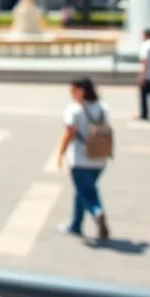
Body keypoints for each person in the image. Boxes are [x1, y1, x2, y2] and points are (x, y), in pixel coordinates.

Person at [56, 77, 111, 239]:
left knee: (86, 192)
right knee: (84, 190)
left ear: (82, 91)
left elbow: (69, 134)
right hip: (100, 157)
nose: (71, 94)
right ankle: (76, 225)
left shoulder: (74, 110)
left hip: (80, 159)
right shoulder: (103, 107)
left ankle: (97, 212)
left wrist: (60, 153)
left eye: (73, 90)